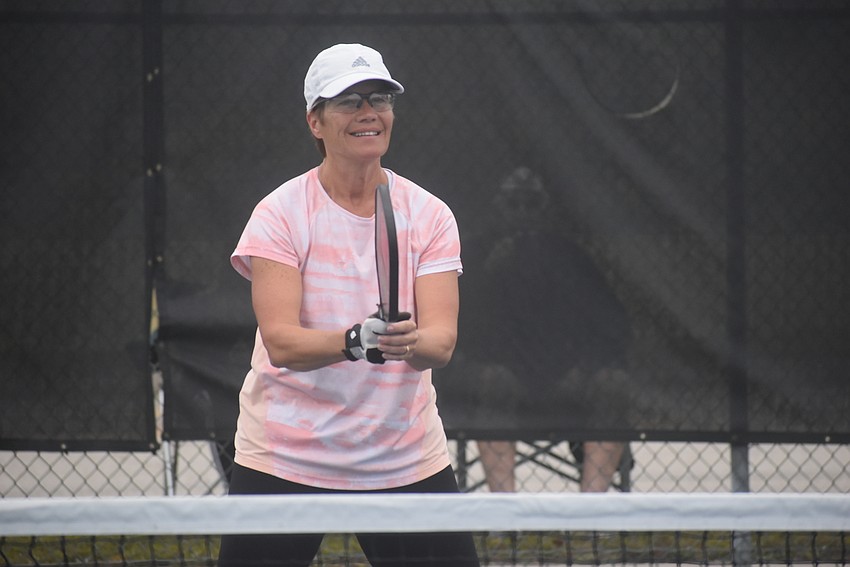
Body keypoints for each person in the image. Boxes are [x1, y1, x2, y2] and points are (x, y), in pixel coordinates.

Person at [217, 43, 480, 567]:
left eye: (379, 98)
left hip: (402, 455)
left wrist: (408, 341)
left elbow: (440, 343)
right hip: (285, 456)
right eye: (348, 101)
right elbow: (283, 343)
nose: (368, 112)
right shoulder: (279, 214)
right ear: (315, 122)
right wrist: (357, 340)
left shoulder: (429, 215)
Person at [460, 166, 632, 494]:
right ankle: (505, 513)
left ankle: (591, 515)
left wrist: (585, 368)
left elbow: (608, 322)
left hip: (567, 378)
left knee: (613, 385)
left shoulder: (572, 257)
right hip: (500, 376)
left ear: (545, 208)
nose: (522, 212)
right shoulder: (474, 256)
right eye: (514, 203)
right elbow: (462, 322)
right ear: (499, 206)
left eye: (531, 203)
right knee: (494, 383)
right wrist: (489, 273)